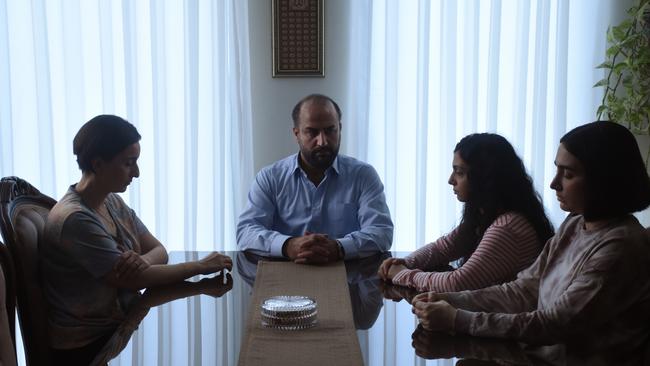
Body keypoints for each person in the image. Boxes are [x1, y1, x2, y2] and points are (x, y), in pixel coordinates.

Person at [412, 121, 650, 365]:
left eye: (568, 174)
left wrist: (457, 319)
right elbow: (524, 290)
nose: (553, 183)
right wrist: (450, 300)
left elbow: (554, 323)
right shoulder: (574, 224)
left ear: (604, 180)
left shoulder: (621, 247)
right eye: (557, 170)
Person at [41, 115, 233, 365]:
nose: (137, 173)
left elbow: (159, 250)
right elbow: (137, 280)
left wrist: (139, 261)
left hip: (117, 325)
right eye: (129, 163)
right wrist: (201, 267)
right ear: (98, 164)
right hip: (87, 347)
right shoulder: (75, 219)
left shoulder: (111, 201)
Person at [378, 133, 554, 292]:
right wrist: (405, 262)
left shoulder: (508, 226)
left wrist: (402, 274)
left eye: (459, 172)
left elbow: (457, 283)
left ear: (485, 178)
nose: (450, 180)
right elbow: (443, 248)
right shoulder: (485, 214)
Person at [237, 94, 393, 264]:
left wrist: (339, 247)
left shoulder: (363, 176)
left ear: (339, 129)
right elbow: (246, 231)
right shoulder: (270, 178)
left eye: (330, 130)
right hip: (283, 276)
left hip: (348, 276)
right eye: (312, 132)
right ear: (296, 134)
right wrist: (288, 245)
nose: (322, 141)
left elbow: (381, 231)